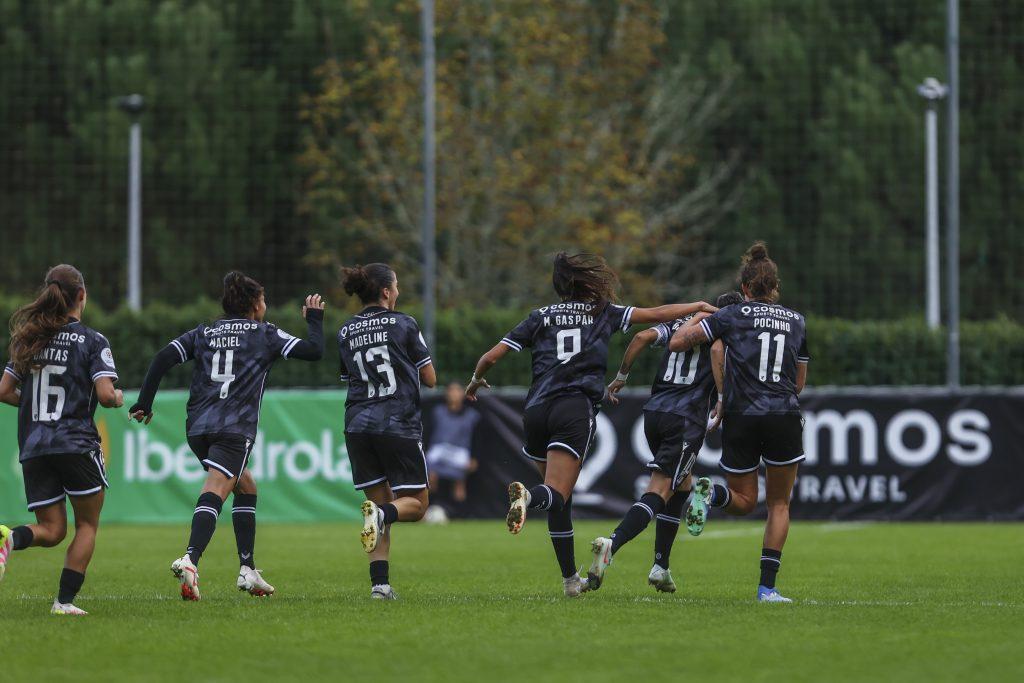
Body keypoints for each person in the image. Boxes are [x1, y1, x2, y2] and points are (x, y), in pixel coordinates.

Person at [465, 252, 716, 597]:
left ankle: (571, 580)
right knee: (556, 494)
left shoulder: (539, 316)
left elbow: (491, 356)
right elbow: (655, 314)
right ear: (587, 282)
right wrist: (697, 305)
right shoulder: (602, 312)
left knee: (560, 500)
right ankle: (527, 496)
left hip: (535, 409)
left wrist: (476, 379)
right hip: (573, 408)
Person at [128, 272, 324, 601]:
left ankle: (248, 569)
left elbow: (163, 358)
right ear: (255, 304)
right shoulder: (265, 334)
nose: (265, 305)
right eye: (263, 300)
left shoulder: (205, 332)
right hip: (234, 428)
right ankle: (190, 559)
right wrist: (315, 320)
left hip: (198, 427)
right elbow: (314, 351)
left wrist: (144, 402)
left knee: (245, 486)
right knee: (217, 488)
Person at [670, 242, 809, 603]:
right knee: (779, 505)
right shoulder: (797, 321)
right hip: (782, 414)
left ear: (744, 287)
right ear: (774, 287)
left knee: (744, 501)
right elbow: (799, 383)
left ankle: (711, 494)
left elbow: (679, 343)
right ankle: (767, 589)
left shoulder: (730, 315)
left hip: (741, 415)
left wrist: (699, 315)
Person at [586, 292, 738, 594]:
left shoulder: (681, 324)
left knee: (682, 485)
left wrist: (622, 376)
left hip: (654, 413)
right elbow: (716, 351)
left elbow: (641, 337)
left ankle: (661, 567)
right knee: (660, 489)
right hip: (685, 417)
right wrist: (722, 399)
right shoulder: (721, 330)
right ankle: (612, 544)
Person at [0, 265, 123, 615]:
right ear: (81, 295)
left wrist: (32, 406)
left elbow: (4, 391)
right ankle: (63, 603)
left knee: (51, 530)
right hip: (76, 443)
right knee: (86, 525)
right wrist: (118, 398)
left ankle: (10, 538)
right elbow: (105, 394)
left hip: (35, 445)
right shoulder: (93, 341)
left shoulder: (29, 338)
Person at [338, 263, 436, 600]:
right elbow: (430, 378)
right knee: (417, 506)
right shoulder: (404, 323)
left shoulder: (345, 330)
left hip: (357, 425)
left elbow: (351, 377)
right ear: (385, 291)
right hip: (396, 422)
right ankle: (382, 515)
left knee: (376, 505)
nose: (398, 291)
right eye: (396, 286)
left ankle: (379, 586)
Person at [426, 381, 481, 511]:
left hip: (459, 453)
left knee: (459, 483)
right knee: (430, 479)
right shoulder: (437, 412)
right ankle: (427, 511)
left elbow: (477, 439)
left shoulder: (472, 416)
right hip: (439, 450)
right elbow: (428, 434)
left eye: (457, 390)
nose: (454, 394)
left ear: (463, 394)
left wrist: (474, 458)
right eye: (451, 390)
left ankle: (459, 515)